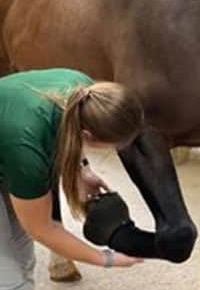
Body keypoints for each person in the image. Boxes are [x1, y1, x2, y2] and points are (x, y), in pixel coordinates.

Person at [0, 68, 145, 290]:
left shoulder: (87, 93)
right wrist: (105, 259)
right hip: (13, 142)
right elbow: (42, 229)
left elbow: (69, 131)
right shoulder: (27, 153)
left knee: (21, 248)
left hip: (9, 139)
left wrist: (82, 169)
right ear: (88, 136)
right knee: (7, 271)